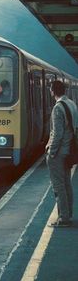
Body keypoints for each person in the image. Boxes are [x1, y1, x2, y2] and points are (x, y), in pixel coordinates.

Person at [46, 80, 78, 227]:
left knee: (58, 185)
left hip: (59, 152)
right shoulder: (71, 104)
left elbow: (57, 133)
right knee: (67, 184)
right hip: (69, 151)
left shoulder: (58, 108)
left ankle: (64, 218)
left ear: (53, 90)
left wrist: (51, 152)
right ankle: (68, 214)